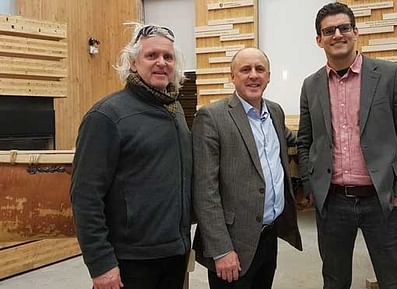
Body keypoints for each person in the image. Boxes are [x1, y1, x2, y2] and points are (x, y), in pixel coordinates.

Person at [297, 3, 397, 289]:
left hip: (383, 201)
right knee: (335, 281)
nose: (337, 34)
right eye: (329, 30)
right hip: (333, 201)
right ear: (319, 40)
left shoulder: (389, 75)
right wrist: (312, 186)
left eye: (344, 28)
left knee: (393, 280)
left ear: (356, 32)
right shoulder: (310, 85)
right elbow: (306, 141)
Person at [70, 23, 192, 289]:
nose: (161, 63)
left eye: (168, 57)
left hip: (175, 254)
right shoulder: (106, 116)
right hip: (130, 263)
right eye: (152, 56)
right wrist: (101, 264)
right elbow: (85, 196)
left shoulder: (175, 110)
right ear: (133, 63)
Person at [192, 47, 302, 289]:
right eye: (245, 69)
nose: (253, 75)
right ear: (233, 76)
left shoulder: (275, 111)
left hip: (268, 235)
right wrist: (221, 250)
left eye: (260, 69)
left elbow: (291, 140)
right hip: (232, 242)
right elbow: (204, 191)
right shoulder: (212, 117)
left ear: (269, 76)